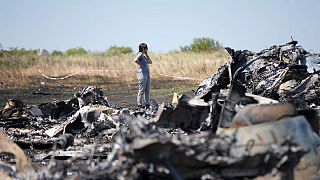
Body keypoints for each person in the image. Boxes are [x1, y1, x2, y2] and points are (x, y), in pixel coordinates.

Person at [134, 43, 152, 109]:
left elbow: (150, 62)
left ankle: (147, 104)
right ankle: (139, 104)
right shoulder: (140, 54)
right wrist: (140, 64)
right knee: (141, 90)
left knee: (147, 90)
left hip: (147, 74)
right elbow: (135, 60)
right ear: (143, 48)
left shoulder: (144, 56)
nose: (147, 49)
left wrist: (147, 54)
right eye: (146, 48)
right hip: (142, 74)